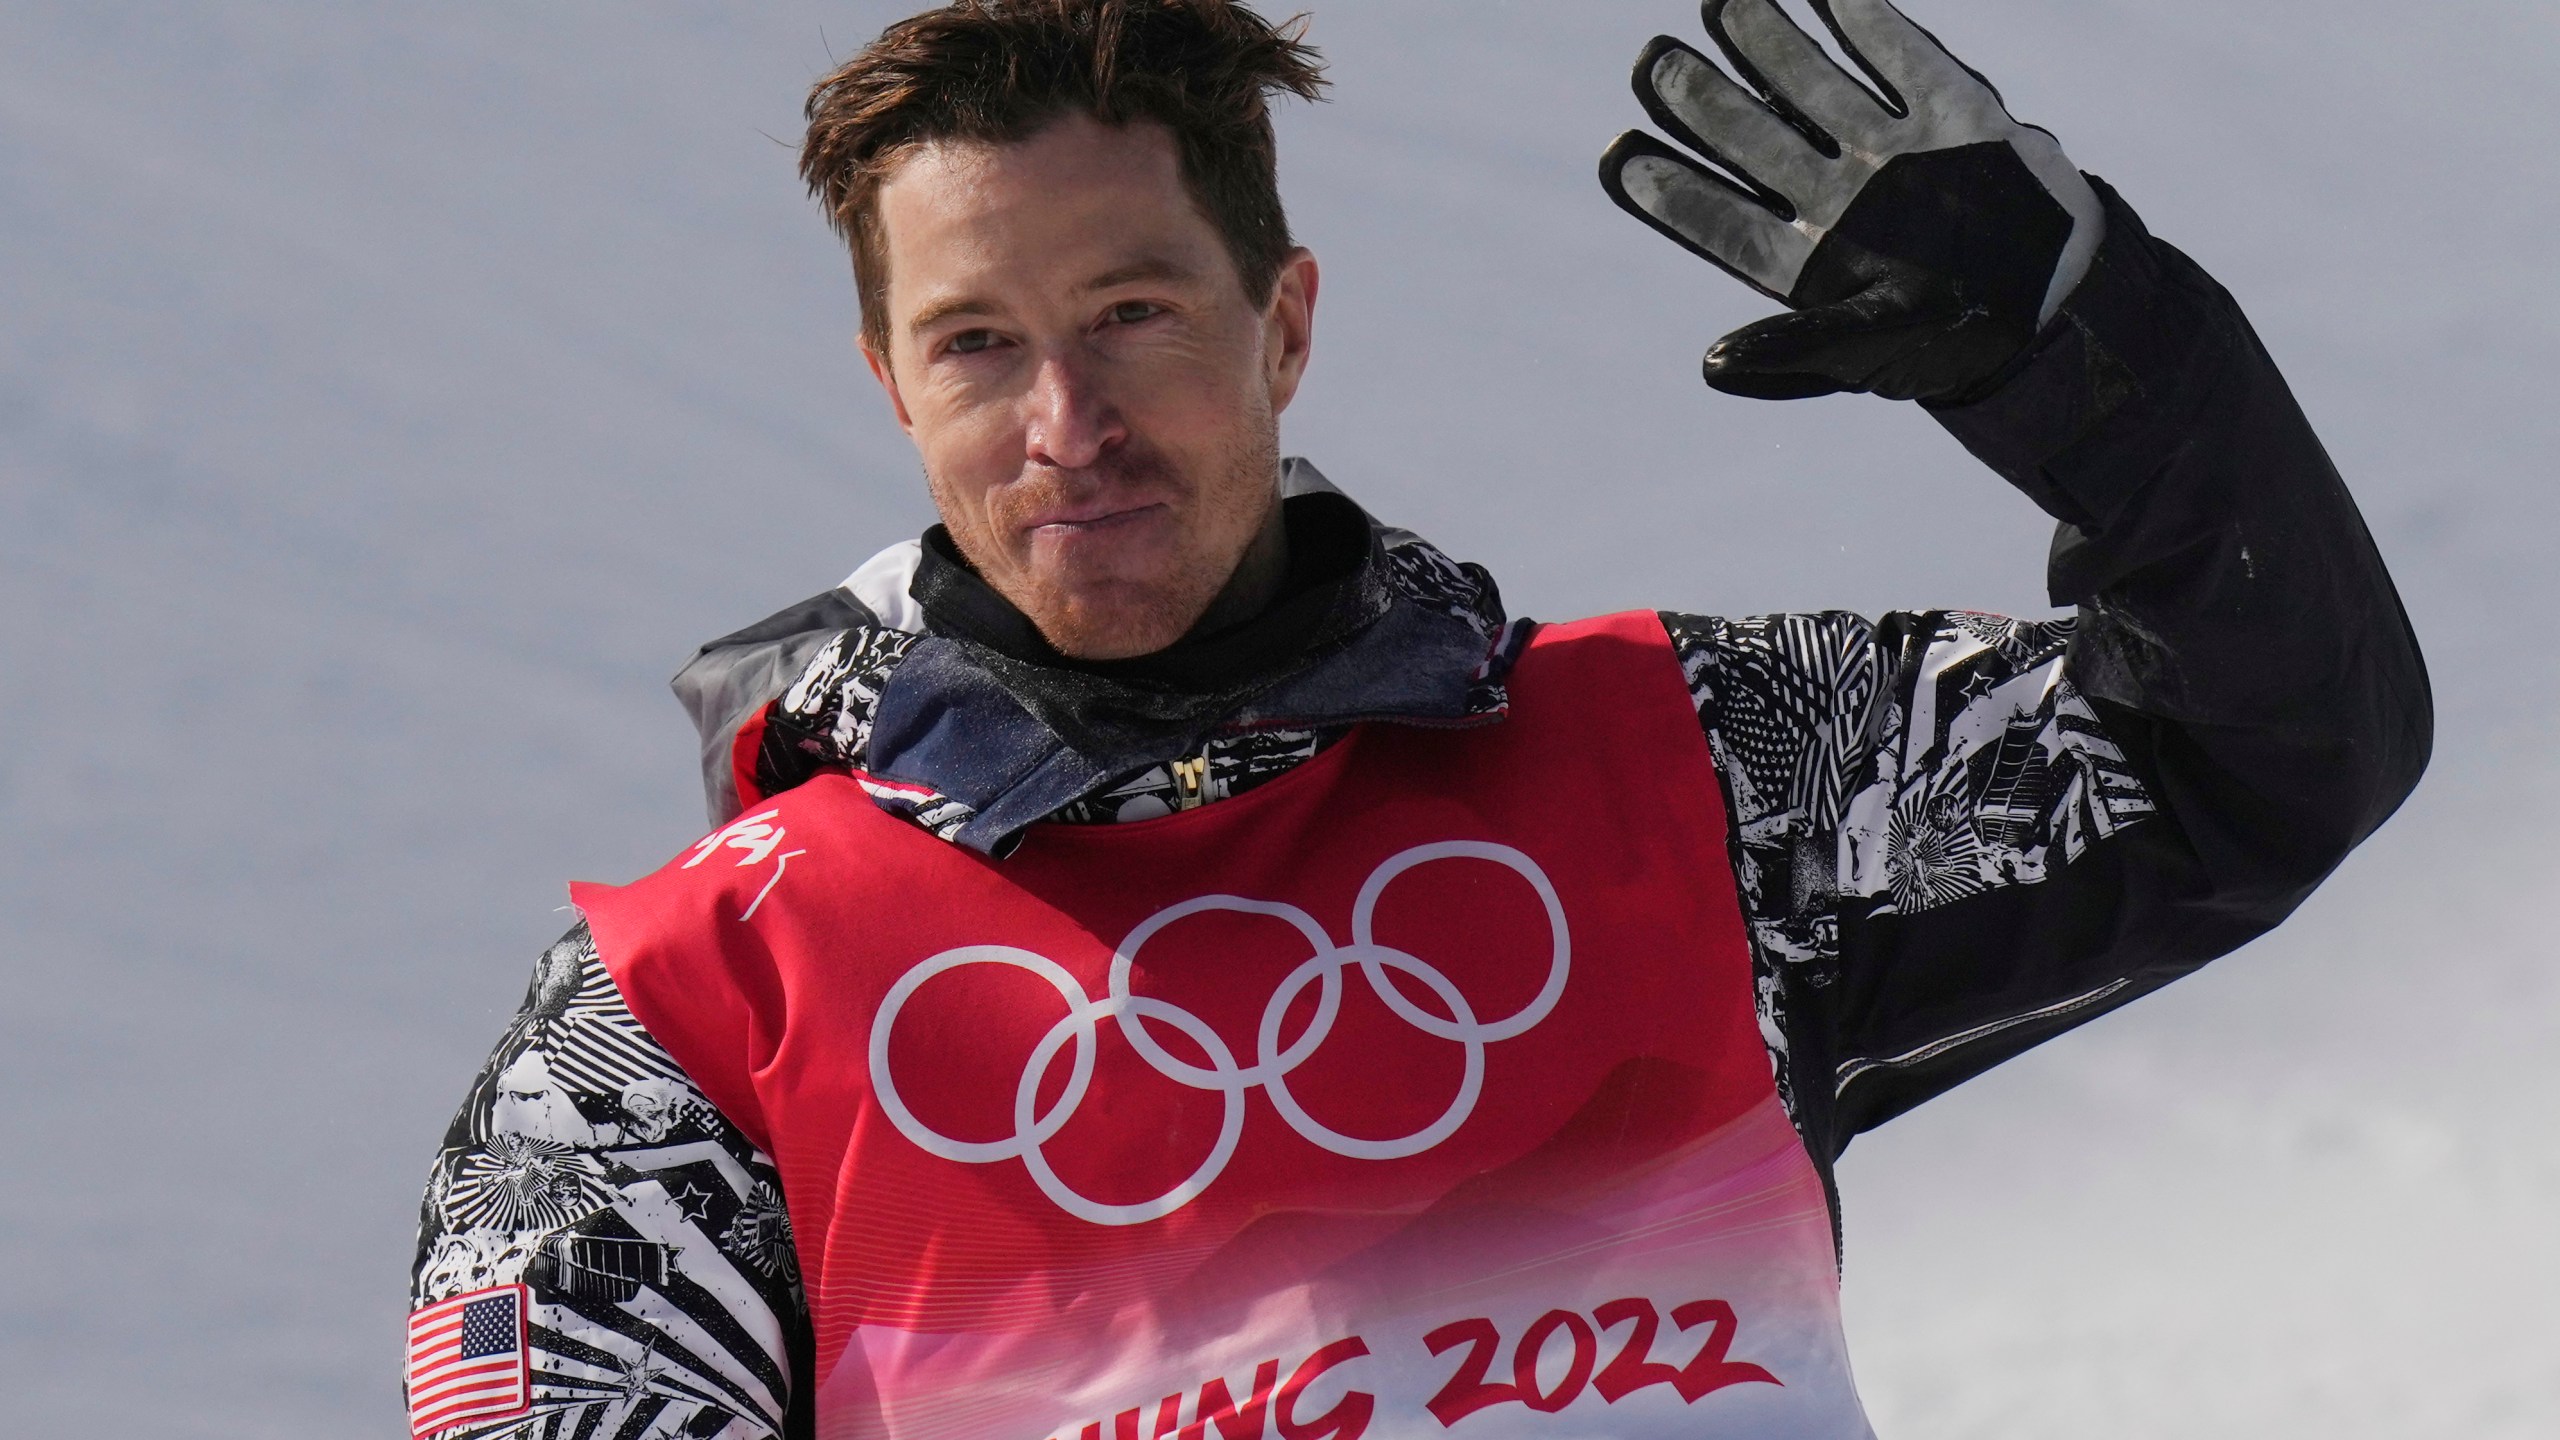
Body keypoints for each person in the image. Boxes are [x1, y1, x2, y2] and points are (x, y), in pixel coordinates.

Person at [405, 2, 2430, 1436]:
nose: (1066, 426)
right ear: (887, 383)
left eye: (1133, 315)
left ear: (1283, 321)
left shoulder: (1690, 772)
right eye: (976, 344)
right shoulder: (673, 1018)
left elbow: (2257, 752)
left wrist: (2093, 361)